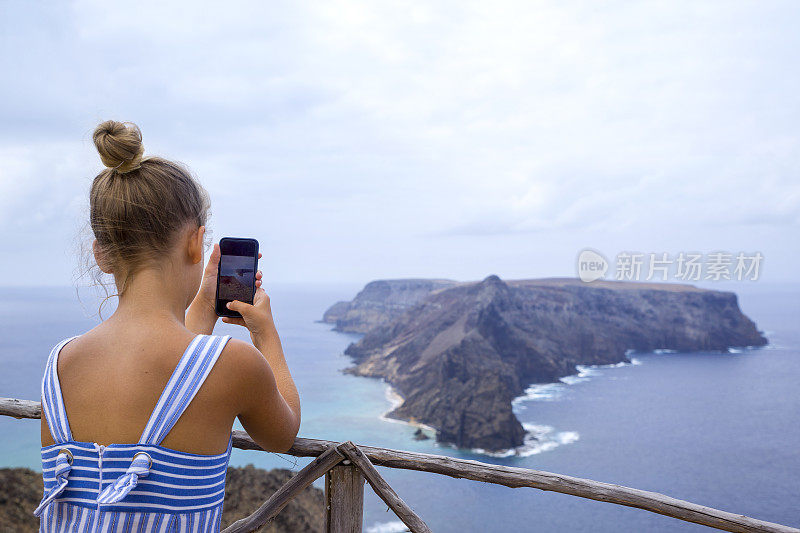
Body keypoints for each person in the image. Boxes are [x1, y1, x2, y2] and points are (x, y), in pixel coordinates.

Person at [35, 120, 301, 532]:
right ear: (197, 243)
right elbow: (282, 433)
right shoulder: (234, 363)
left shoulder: (61, 363)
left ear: (101, 254)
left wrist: (204, 308)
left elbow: (177, 368)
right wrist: (266, 333)